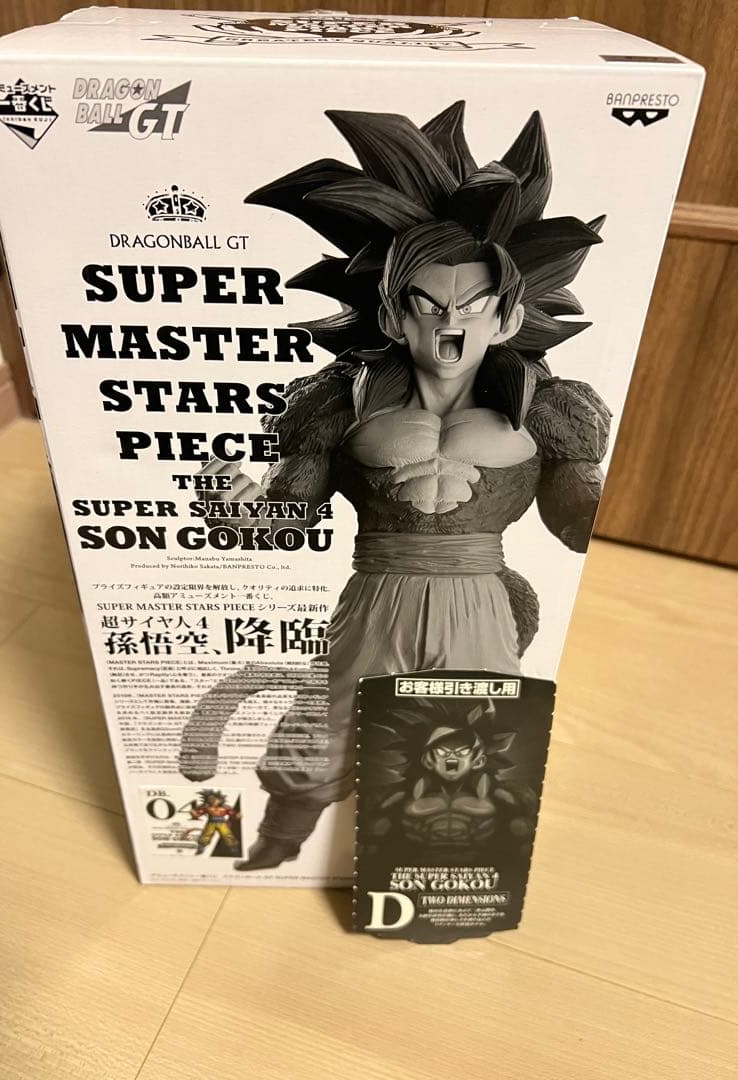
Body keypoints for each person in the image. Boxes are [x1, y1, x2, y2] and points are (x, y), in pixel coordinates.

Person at [182, 103, 610, 870]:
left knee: (471, 750)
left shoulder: (548, 413)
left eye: (472, 306)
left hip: (480, 603)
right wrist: (234, 509)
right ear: (392, 313)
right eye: (428, 303)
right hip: (374, 597)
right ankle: (276, 848)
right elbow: (285, 519)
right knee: (320, 729)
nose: (451, 322)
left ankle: (443, 879)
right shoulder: (339, 409)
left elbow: (581, 521)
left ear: (508, 317)